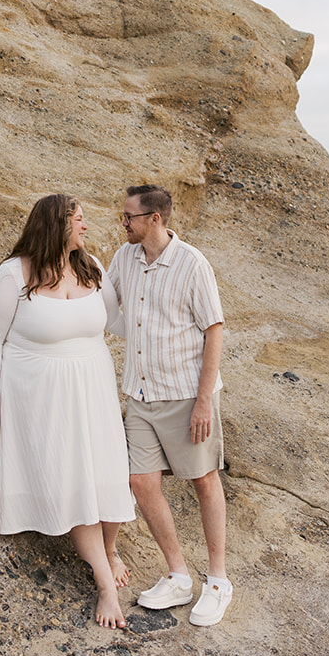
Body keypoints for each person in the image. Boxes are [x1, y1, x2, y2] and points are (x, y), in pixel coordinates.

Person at [0, 193, 135, 628]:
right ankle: (103, 582)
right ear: (56, 225)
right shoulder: (14, 274)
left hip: (93, 385)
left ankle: (111, 548)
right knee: (71, 478)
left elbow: (118, 323)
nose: (86, 226)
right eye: (78, 220)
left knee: (108, 472)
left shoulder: (93, 267)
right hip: (40, 390)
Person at [107, 184, 232, 626]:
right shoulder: (124, 259)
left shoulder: (192, 264)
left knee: (203, 480)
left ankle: (217, 581)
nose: (122, 223)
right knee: (140, 482)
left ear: (154, 219)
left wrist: (202, 402)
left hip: (186, 395)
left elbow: (214, 330)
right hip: (140, 393)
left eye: (129, 217)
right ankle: (178, 574)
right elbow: (102, 304)